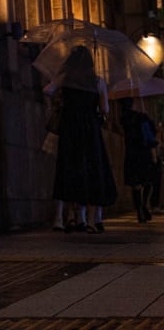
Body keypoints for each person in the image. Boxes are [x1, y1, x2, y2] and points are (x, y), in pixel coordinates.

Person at [45, 44, 117, 234]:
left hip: (69, 128)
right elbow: (105, 109)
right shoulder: (97, 81)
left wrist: (56, 104)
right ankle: (92, 220)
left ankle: (68, 217)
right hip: (90, 128)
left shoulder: (65, 78)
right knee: (92, 168)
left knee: (68, 168)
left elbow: (48, 90)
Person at [119, 96, 158, 222]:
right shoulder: (142, 117)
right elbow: (152, 133)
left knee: (135, 184)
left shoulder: (123, 119)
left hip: (131, 153)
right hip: (144, 153)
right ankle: (145, 204)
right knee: (148, 181)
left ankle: (139, 209)